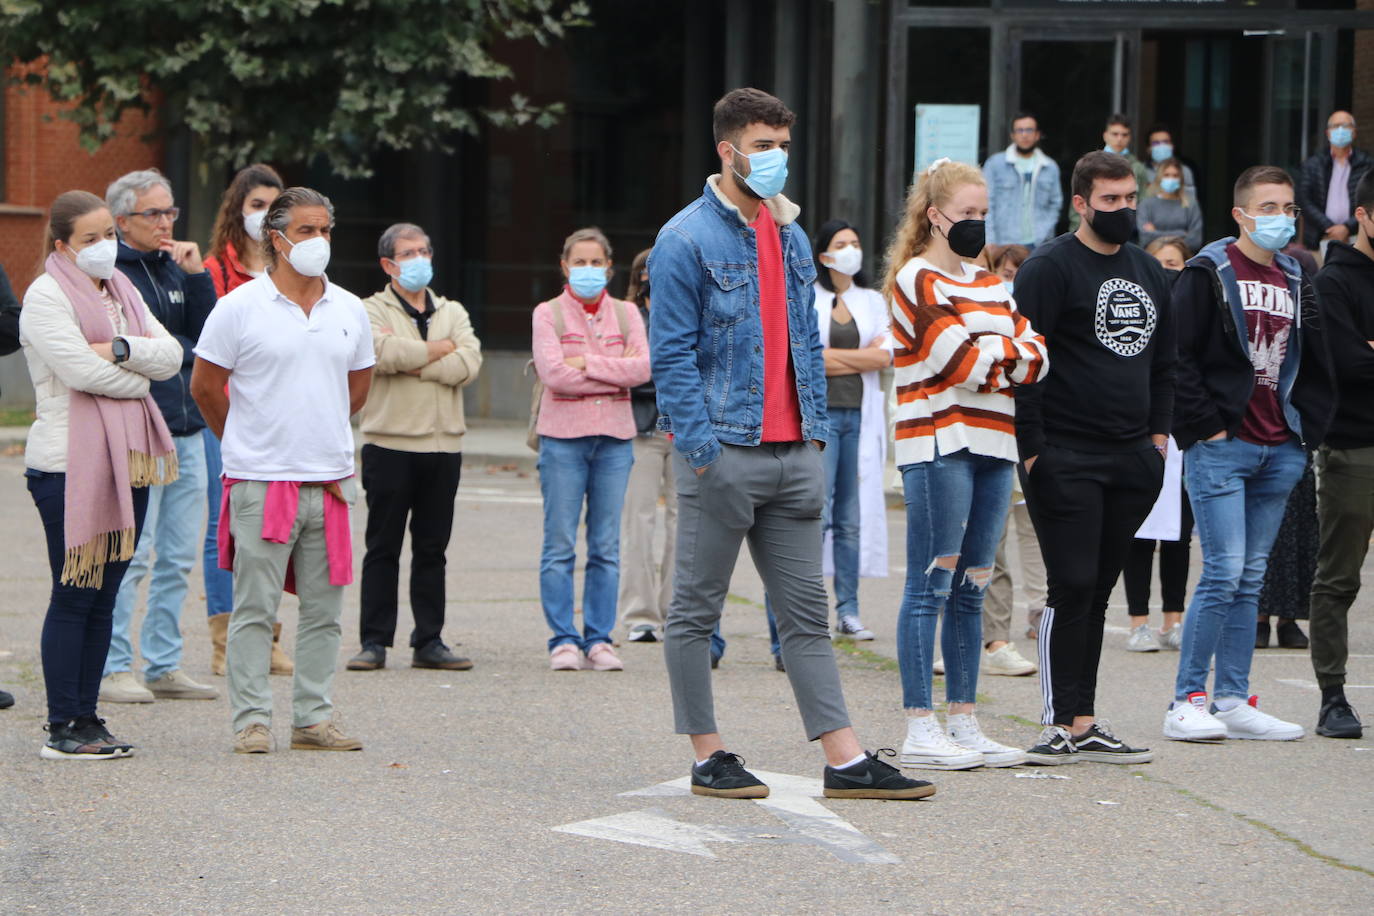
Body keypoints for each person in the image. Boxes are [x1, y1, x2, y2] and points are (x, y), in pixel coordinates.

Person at [650, 87, 932, 801]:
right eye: (763, 146)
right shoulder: (684, 238)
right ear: (728, 149)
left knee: (806, 615)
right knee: (695, 609)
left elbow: (804, 341)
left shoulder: (791, 236)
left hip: (795, 452)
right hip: (726, 450)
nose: (775, 159)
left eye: (782, 145)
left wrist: (810, 441)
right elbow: (673, 358)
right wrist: (705, 453)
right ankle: (708, 754)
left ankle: (844, 759)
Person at [191, 187, 375, 754]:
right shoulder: (238, 307)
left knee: (324, 612)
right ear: (276, 239)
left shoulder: (348, 308)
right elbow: (205, 386)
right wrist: (246, 443)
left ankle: (312, 719)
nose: (318, 241)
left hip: (331, 481)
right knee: (255, 608)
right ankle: (251, 720)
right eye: (305, 231)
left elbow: (357, 386)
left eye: (325, 230)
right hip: (261, 482)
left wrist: (314, 429)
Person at [1162, 166, 1335, 743]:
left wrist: (1304, 431)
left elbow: (1315, 356)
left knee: (1251, 577)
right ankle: (1186, 699)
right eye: (1269, 206)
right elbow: (1179, 356)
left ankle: (1233, 699)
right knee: (1223, 572)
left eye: (1288, 207)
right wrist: (1207, 428)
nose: (1282, 217)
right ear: (1240, 214)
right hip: (1223, 447)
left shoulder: (1296, 274)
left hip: (1280, 447)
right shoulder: (1207, 271)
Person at [886, 158, 1048, 770]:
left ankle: (964, 719)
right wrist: (1002, 354)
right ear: (934, 216)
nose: (978, 224)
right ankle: (919, 725)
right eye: (968, 214)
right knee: (929, 584)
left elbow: (1038, 356)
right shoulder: (915, 281)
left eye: (984, 214)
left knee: (973, 588)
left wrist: (998, 354)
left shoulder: (990, 282)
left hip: (993, 445)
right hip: (938, 445)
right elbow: (964, 365)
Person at [1013, 150, 1174, 765]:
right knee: (1071, 584)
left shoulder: (1149, 271)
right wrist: (1033, 453)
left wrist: (1158, 442)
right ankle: (1056, 721)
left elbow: (1166, 364)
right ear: (1081, 203)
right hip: (1065, 456)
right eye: (1110, 201)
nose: (1124, 210)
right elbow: (1025, 367)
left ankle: (1084, 719)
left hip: (1133, 459)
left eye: (1131, 198)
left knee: (1101, 589)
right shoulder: (1048, 269)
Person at [21, 190, 182, 758]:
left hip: (125, 462)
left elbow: (170, 355)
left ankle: (89, 720)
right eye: (89, 240)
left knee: (106, 595)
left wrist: (117, 346)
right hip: (67, 465)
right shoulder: (44, 297)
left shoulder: (122, 290)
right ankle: (62, 726)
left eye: (108, 235)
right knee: (74, 592)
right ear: (62, 245)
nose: (103, 248)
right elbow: (80, 373)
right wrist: (137, 378)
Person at [95, 169, 218, 704]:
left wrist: (196, 277)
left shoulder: (175, 267)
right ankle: (116, 665)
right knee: (135, 554)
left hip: (190, 430)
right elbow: (133, 346)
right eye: (155, 213)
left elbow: (209, 341)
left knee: (176, 556)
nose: (167, 222)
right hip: (143, 431)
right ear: (122, 220)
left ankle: (164, 662)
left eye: (171, 212)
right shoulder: (112, 275)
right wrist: (173, 351)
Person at [346, 222, 482, 672]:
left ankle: (429, 639)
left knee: (432, 549)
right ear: (388, 264)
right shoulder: (369, 309)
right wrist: (438, 351)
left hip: (444, 446)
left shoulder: (453, 311)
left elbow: (469, 362)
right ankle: (374, 641)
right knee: (382, 546)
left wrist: (417, 360)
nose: (419, 259)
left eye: (424, 250)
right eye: (408, 253)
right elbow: (381, 354)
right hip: (390, 443)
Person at [532, 227, 648, 672]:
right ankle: (562, 637)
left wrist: (589, 363)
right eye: (578, 262)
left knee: (605, 545)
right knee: (559, 544)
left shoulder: (625, 314)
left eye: (595, 262)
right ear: (564, 267)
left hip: (615, 439)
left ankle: (599, 638)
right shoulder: (548, 314)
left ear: (609, 267)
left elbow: (643, 367)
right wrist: (611, 371)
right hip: (562, 438)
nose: (587, 270)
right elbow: (554, 374)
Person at [201, 164, 288, 678]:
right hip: (230, 414)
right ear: (237, 211)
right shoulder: (214, 274)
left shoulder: (295, 272)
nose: (262, 216)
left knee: (277, 528)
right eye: (255, 205)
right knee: (225, 525)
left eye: (272, 208)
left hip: (280, 419)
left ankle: (268, 637)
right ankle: (224, 641)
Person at [1307, 170, 1374, 739]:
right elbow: (1352, 366)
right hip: (1355, 447)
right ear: (1365, 216)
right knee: (1339, 578)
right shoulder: (1335, 282)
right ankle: (1332, 697)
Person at [811, 218, 891, 641]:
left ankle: (849, 610)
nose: (851, 249)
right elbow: (808, 359)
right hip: (821, 419)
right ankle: (810, 609)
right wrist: (860, 356)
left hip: (859, 416)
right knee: (818, 514)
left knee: (850, 518)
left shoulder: (872, 301)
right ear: (825, 255)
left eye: (855, 241)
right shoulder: (809, 297)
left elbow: (885, 357)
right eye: (842, 243)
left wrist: (836, 358)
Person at [1121, 239, 1194, 653]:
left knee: (1177, 534)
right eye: (1159, 264)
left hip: (1180, 432)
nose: (1166, 271)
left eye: (1173, 264)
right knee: (1139, 534)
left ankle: (1174, 619)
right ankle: (1138, 622)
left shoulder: (1191, 314)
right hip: (1138, 429)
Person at [618, 248, 676, 644]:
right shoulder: (627, 319)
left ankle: (677, 610)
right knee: (637, 522)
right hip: (641, 429)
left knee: (685, 524)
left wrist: (648, 369)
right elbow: (626, 374)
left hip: (687, 432)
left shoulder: (690, 311)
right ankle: (639, 614)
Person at [983, 112, 1063, 247]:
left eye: (1029, 130)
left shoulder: (1050, 167)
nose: (1024, 134)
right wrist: (989, 240)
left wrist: (1045, 233)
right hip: (1003, 243)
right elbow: (986, 204)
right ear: (1012, 135)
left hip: (1039, 243)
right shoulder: (995, 164)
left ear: (1037, 134)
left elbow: (1055, 204)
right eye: (1019, 130)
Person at [1296, 112, 1372, 251]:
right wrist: (1329, 226)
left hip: (1358, 236)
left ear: (1354, 133)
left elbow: (1370, 200)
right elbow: (1304, 200)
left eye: (1346, 126)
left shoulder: (1367, 164)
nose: (1340, 130)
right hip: (1320, 237)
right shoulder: (1313, 164)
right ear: (1328, 133)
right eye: (1336, 126)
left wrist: (1347, 227)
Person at [1138, 159, 1203, 252]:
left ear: (1180, 179)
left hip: (1182, 259)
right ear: (1159, 178)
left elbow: (1195, 241)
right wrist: (1181, 233)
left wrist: (1155, 233)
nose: (1171, 179)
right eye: (1166, 175)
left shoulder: (1191, 205)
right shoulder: (1146, 204)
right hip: (1152, 259)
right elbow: (1145, 238)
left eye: (1175, 176)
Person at [1144, 125, 1198, 201]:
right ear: (1148, 149)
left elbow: (1190, 204)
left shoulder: (1184, 171)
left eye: (1165, 142)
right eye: (1156, 143)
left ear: (1172, 146)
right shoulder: (1140, 172)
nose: (1161, 146)